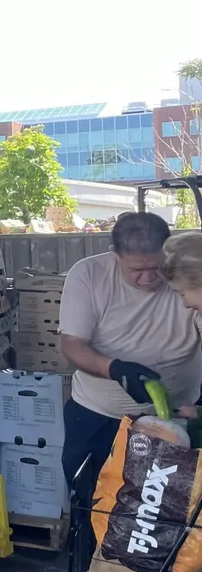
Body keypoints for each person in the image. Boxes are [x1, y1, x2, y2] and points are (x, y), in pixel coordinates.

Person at [60, 213, 202, 504]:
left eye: (156, 267)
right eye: (137, 269)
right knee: (94, 505)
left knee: (166, 516)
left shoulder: (186, 277)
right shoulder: (88, 275)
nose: (149, 278)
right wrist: (114, 369)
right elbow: (72, 344)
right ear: (116, 255)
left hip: (177, 419)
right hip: (99, 416)